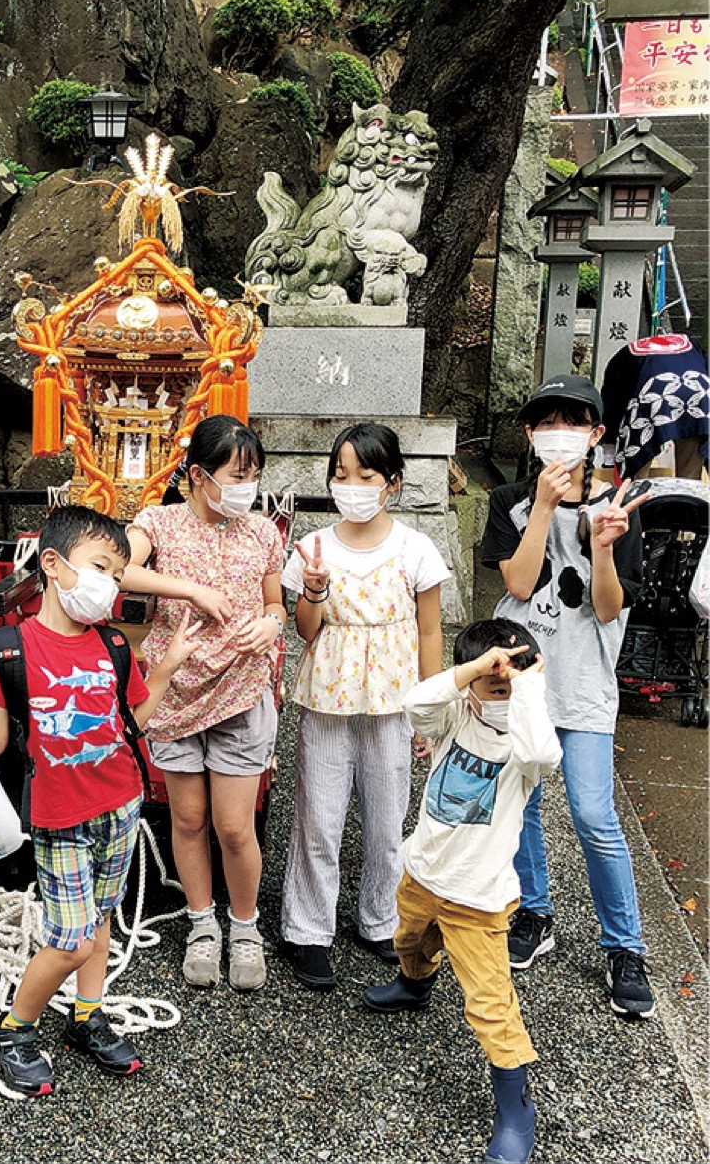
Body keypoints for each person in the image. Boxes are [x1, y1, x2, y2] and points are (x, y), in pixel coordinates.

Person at [0, 505, 201, 1098]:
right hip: (60, 819)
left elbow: (134, 723)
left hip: (122, 805)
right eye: (100, 566)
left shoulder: (111, 646)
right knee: (71, 940)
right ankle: (15, 1027)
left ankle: (86, 1014)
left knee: (98, 923)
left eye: (118, 573)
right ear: (53, 564)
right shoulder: (10, 649)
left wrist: (170, 668)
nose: (111, 583)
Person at [482, 373, 654, 1019]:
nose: (561, 431)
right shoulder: (510, 501)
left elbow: (609, 607)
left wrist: (604, 546)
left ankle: (625, 944)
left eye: (574, 420)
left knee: (592, 812)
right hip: (525, 680)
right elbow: (521, 585)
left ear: (596, 433)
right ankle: (535, 909)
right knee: (520, 799)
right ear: (530, 434)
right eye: (547, 420)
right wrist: (547, 508)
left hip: (584, 684)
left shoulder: (619, 506)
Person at [361, 618, 561, 1164]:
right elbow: (415, 704)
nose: (501, 696)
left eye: (509, 689)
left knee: (490, 1003)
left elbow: (544, 755)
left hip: (478, 898)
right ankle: (414, 985)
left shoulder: (523, 743)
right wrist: (472, 671)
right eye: (492, 688)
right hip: (423, 873)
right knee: (409, 941)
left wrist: (524, 690)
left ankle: (517, 1111)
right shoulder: (454, 716)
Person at [279, 422, 449, 992]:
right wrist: (315, 589)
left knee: (386, 821)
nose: (350, 485)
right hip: (327, 696)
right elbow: (305, 630)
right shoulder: (312, 546)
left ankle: (381, 919)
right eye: (341, 474)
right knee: (319, 819)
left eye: (365, 475)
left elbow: (430, 633)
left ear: (392, 483)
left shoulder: (417, 548)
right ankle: (307, 930)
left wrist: (431, 708)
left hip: (392, 701)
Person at [119, 415, 285, 992]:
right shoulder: (158, 523)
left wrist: (271, 624)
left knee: (235, 826)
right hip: (174, 688)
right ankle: (201, 923)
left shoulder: (264, 531)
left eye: (255, 475)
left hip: (241, 687)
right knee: (187, 818)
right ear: (197, 475)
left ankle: (245, 925)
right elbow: (120, 566)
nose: (248, 486)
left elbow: (276, 603)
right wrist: (190, 589)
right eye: (237, 475)